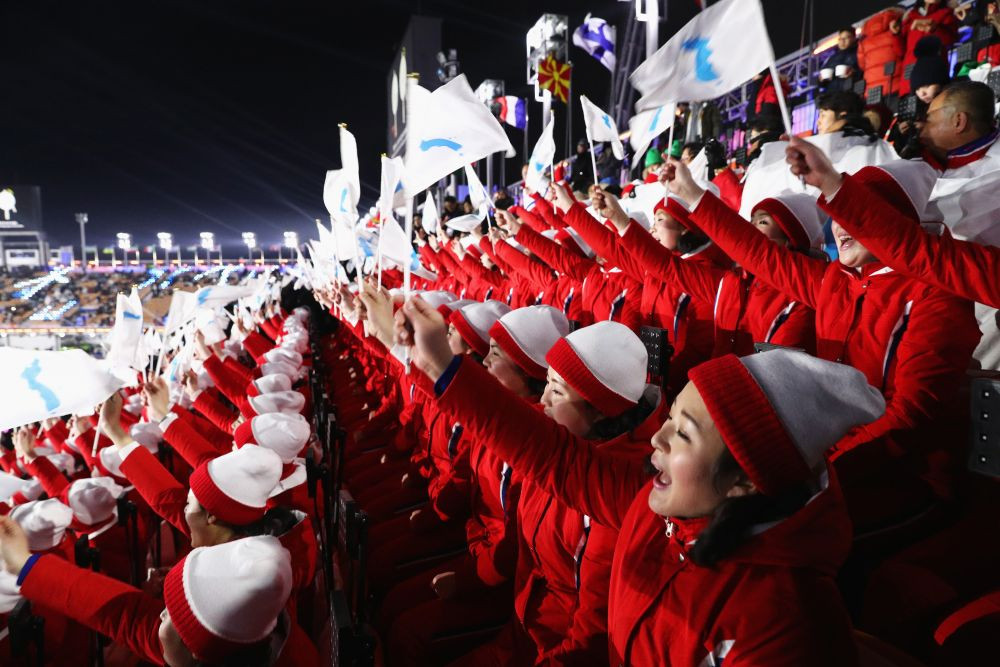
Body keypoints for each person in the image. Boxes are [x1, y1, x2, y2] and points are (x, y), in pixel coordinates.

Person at [394, 296, 886, 665]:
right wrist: (437, 364)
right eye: (669, 420)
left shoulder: (786, 626)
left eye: (684, 434)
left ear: (745, 480)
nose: (657, 440)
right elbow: (547, 453)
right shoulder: (656, 510)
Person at [663, 155, 980, 531]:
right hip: (830, 462)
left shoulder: (937, 294)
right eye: (839, 216)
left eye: (857, 215)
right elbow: (757, 253)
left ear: (897, 224)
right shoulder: (837, 280)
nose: (841, 228)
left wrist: (817, 473)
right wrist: (693, 195)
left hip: (903, 476)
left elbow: (910, 416)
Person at [0, 521, 319, 666]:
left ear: (195, 652)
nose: (160, 612)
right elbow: (128, 614)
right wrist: (25, 564)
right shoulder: (243, 639)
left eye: (171, 614)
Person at [820, 27, 861, 93]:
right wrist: (820, 80)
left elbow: (866, 71)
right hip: (832, 95)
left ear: (854, 39)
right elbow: (822, 83)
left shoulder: (859, 53)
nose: (842, 41)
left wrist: (854, 74)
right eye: (840, 39)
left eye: (846, 38)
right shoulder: (832, 58)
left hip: (851, 93)